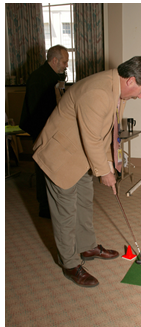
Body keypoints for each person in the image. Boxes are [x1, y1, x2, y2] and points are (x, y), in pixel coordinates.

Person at [33, 56, 141, 288]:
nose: (140, 96)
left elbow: (105, 132)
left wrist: (110, 164)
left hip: (81, 155)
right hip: (61, 156)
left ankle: (86, 247)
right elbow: (91, 137)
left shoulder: (116, 90)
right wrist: (104, 172)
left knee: (84, 202)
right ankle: (70, 264)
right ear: (131, 80)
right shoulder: (99, 92)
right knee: (66, 212)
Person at [20, 45, 69, 218]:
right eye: (64, 62)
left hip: (49, 129)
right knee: (43, 168)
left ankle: (51, 203)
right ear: (54, 60)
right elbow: (36, 110)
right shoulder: (38, 77)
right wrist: (43, 136)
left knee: (51, 167)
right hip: (41, 130)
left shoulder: (51, 76)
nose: (66, 65)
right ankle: (44, 207)